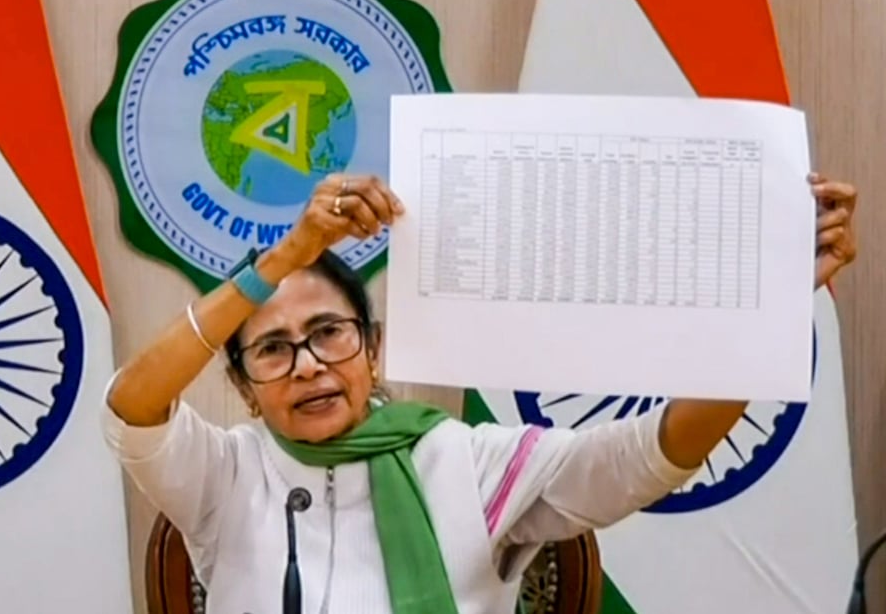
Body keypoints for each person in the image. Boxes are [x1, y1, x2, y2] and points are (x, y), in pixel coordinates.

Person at [102, 172, 858, 613]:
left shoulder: (463, 460)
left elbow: (650, 454)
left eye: (329, 332)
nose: (307, 365)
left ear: (373, 347)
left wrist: (769, 314)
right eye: (271, 349)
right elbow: (133, 403)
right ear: (239, 384)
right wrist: (287, 257)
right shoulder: (222, 475)